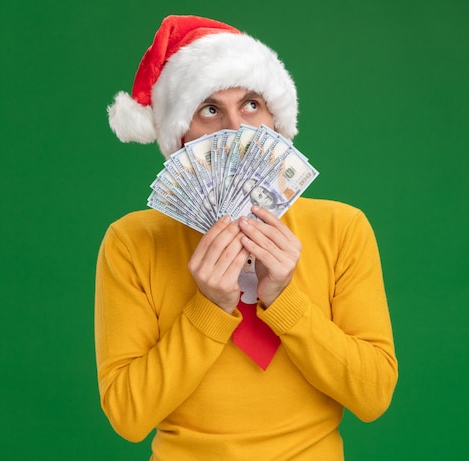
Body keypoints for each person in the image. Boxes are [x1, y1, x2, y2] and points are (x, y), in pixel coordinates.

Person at [95, 15, 398, 461]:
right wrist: (209, 309)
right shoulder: (133, 243)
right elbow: (128, 416)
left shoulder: (342, 229)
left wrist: (285, 301)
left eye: (251, 104)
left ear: (277, 120)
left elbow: (373, 397)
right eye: (210, 109)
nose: (236, 129)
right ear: (180, 138)